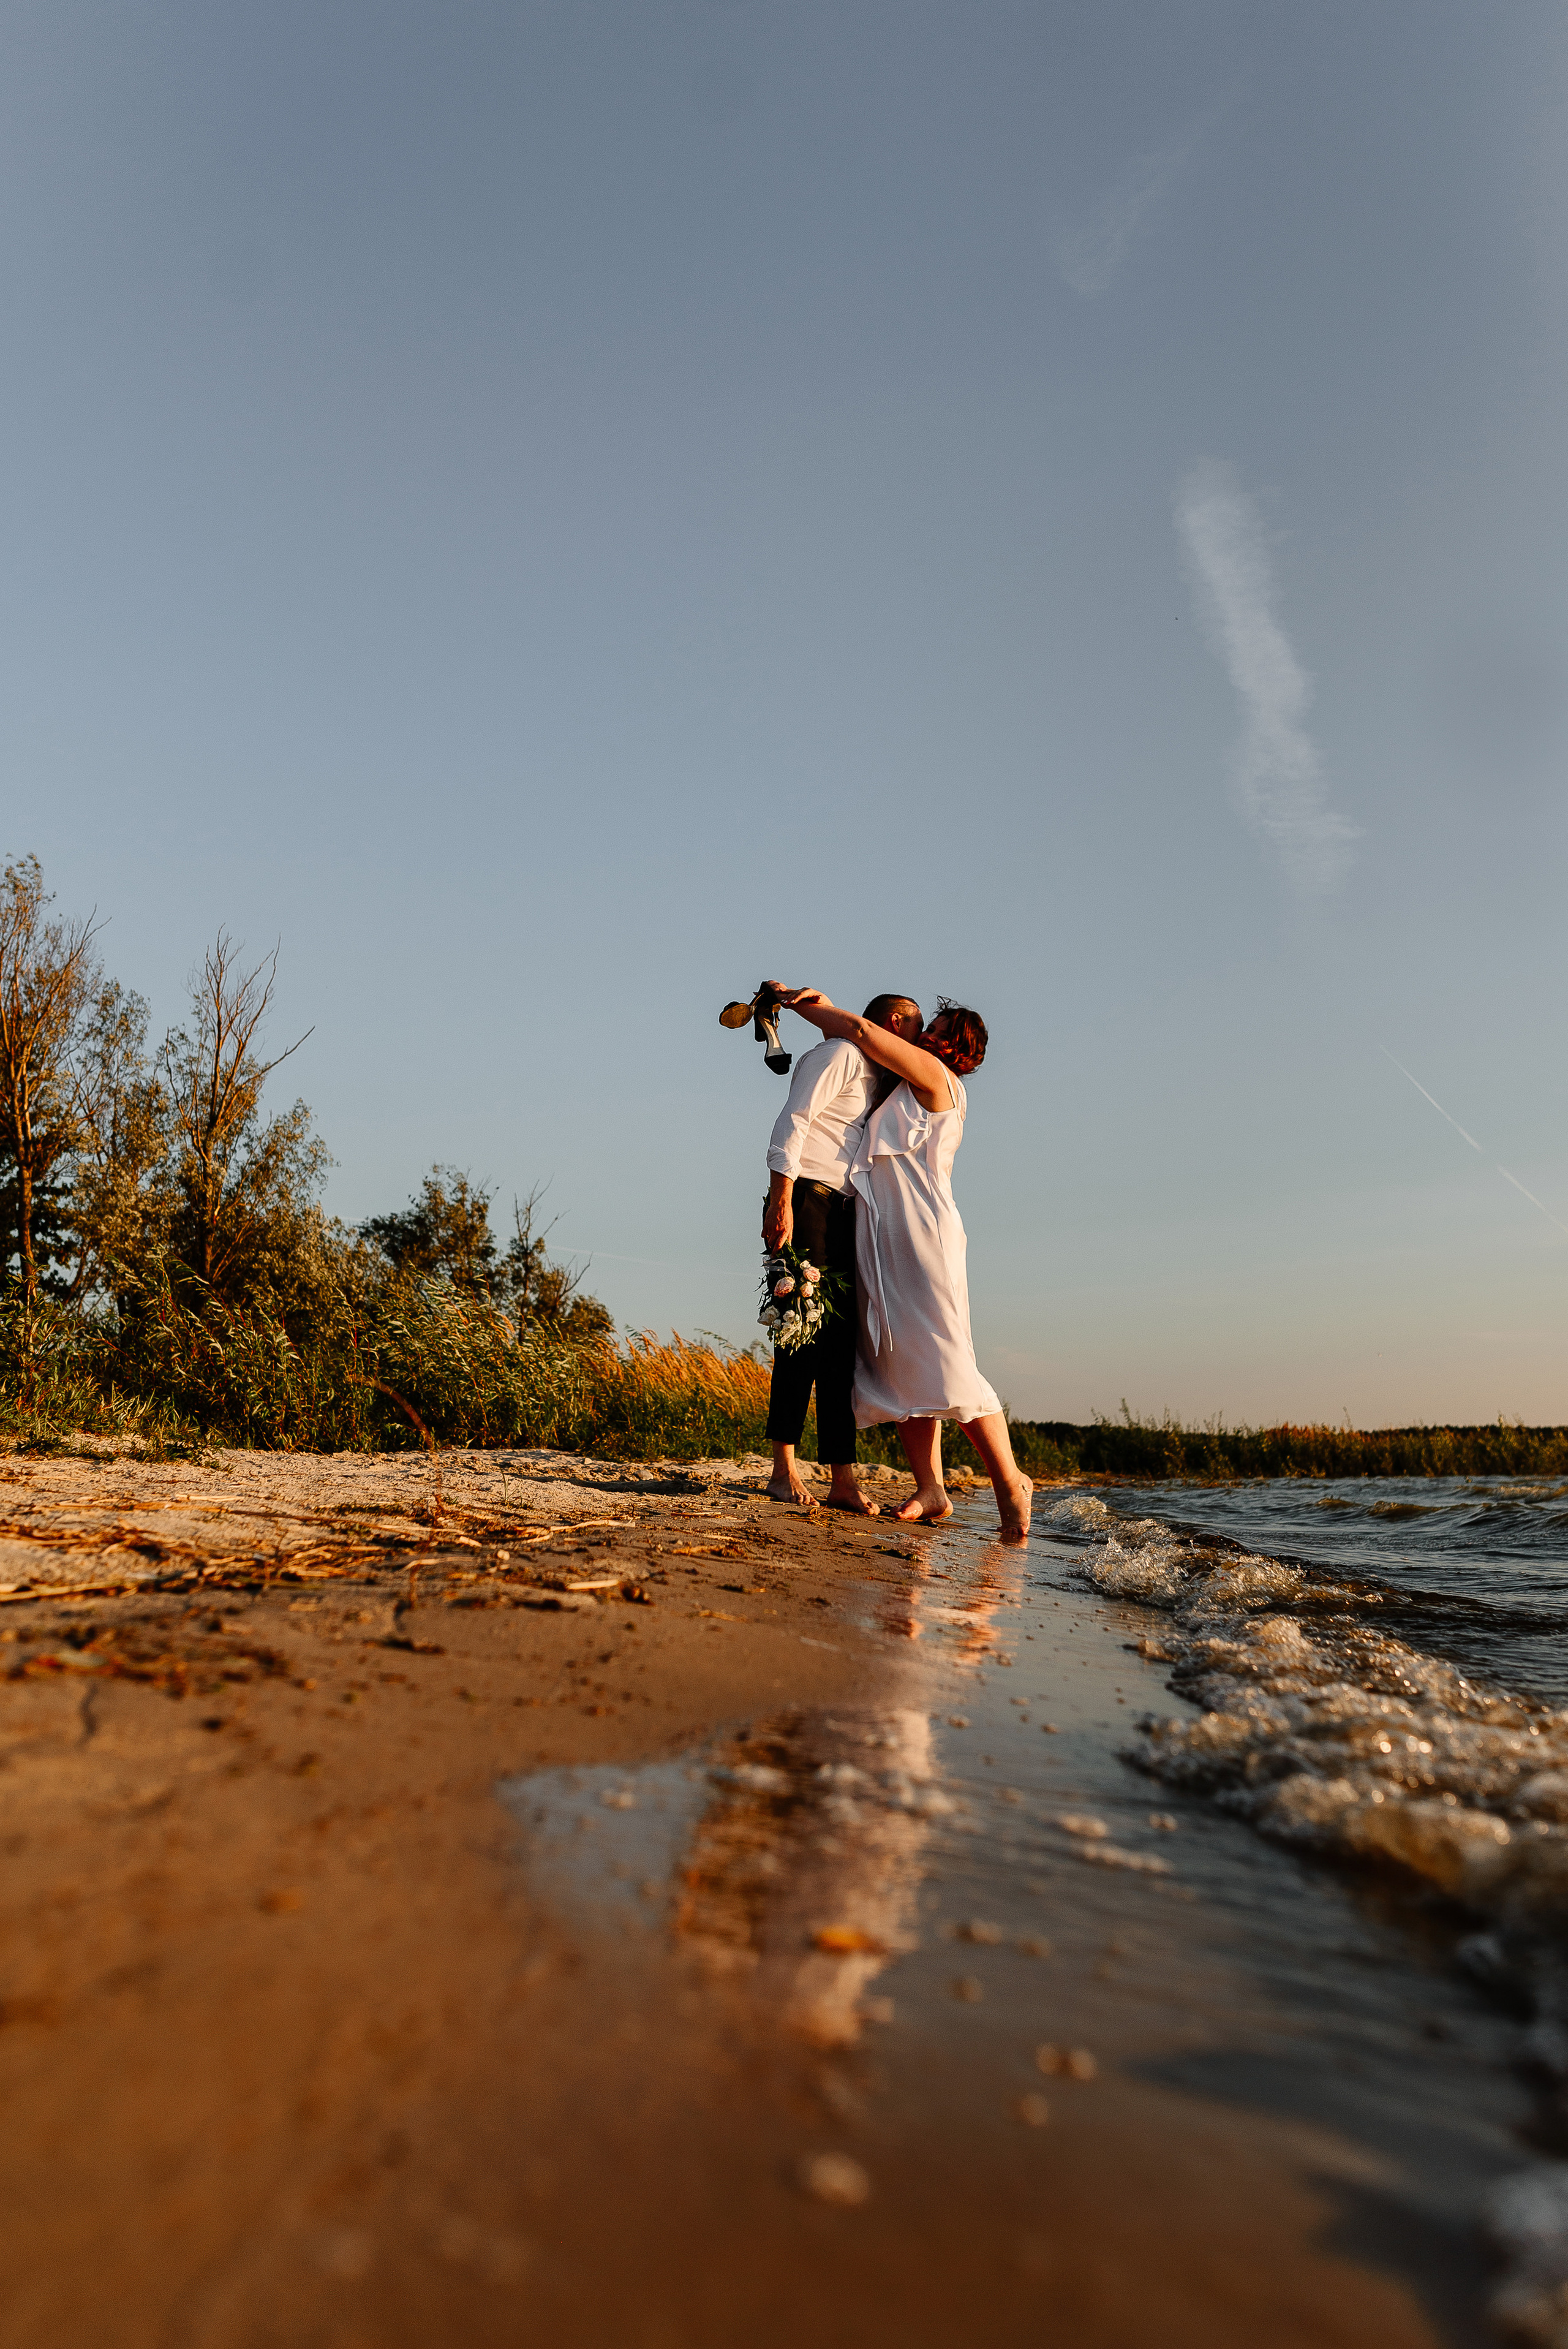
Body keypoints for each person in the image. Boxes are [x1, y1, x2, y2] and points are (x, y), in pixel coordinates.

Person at [778, 988, 1032, 1541]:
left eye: (937, 1030)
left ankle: (1010, 1481)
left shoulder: (938, 1077)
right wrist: (822, 1015)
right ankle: (931, 1487)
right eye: (927, 1028)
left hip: (923, 1234)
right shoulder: (908, 1078)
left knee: (946, 1355)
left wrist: (805, 1004)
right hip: (885, 1232)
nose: (927, 1036)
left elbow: (866, 1034)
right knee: (903, 1359)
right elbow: (853, 1053)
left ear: (953, 1046)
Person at [763, 989, 925, 1511]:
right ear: (896, 1022)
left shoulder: (875, 1074)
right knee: (797, 1332)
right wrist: (781, 1199)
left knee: (839, 1348)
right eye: (916, 1032)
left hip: (845, 1211)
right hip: (805, 1195)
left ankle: (842, 1479)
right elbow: (795, 1118)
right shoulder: (840, 1055)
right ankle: (783, 1469)